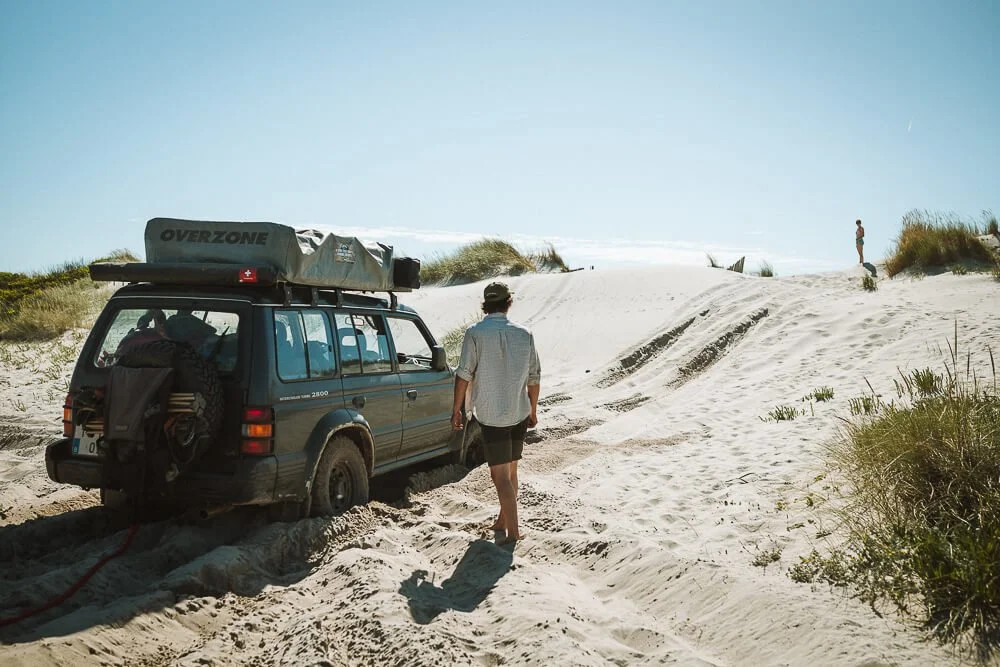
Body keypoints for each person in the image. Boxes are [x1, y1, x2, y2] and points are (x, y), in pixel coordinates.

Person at [452, 282, 541, 545]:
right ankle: (504, 520)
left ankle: (513, 533)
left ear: (485, 304)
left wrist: (456, 409)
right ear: (508, 302)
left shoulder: (475, 333)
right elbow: (534, 377)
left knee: (499, 475)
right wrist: (533, 409)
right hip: (519, 411)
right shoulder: (524, 333)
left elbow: (463, 374)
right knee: (511, 470)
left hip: (493, 415)